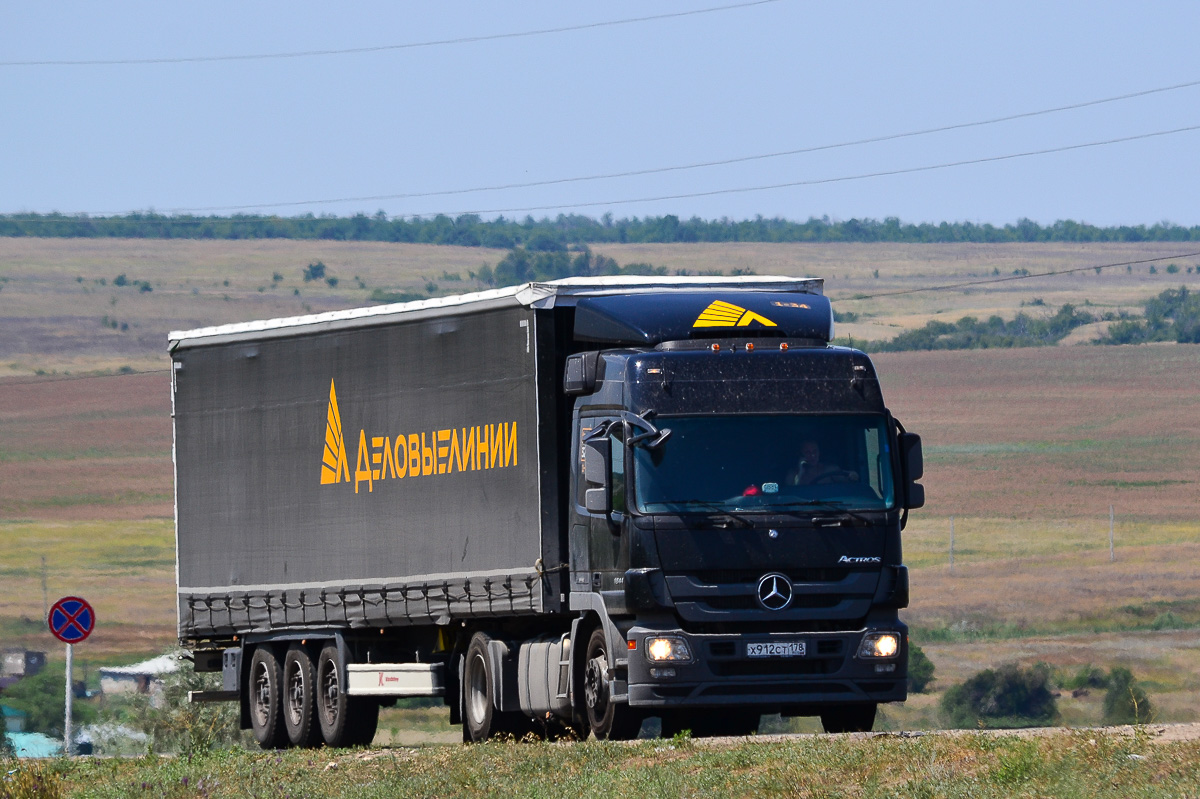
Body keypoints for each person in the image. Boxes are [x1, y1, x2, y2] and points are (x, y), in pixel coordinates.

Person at [787, 440, 857, 485]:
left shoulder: (830, 470)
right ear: (801, 455)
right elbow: (790, 493)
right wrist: (800, 472)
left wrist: (852, 475)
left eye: (815, 451)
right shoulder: (793, 474)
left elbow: (847, 480)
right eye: (808, 452)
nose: (813, 455)